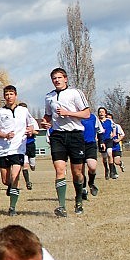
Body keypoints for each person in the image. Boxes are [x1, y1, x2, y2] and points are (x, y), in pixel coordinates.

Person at [40, 68, 90, 216]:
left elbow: (86, 113)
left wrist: (69, 113)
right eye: (54, 78)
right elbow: (48, 116)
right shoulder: (49, 97)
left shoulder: (75, 93)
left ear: (66, 79)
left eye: (59, 77)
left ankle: (79, 200)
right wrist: (44, 122)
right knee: (60, 169)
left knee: (77, 172)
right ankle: (61, 206)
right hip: (58, 136)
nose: (57, 80)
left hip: (75, 135)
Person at [0, 86, 37, 216]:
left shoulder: (23, 110)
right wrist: (4, 135)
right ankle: (10, 186)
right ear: (4, 97)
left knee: (15, 177)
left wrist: (31, 130)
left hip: (18, 149)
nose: (9, 96)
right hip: (3, 150)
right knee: (5, 180)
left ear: (16, 95)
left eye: (11, 94)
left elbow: (31, 124)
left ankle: (12, 208)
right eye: (7, 94)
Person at [80, 111, 103, 199]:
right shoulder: (74, 117)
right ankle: (83, 189)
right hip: (78, 145)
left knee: (92, 167)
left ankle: (91, 183)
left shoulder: (93, 117)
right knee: (80, 171)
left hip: (90, 144)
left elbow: (100, 130)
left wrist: (102, 142)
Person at [19, 103, 39, 190]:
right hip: (21, 145)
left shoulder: (32, 120)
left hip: (30, 144)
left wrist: (30, 131)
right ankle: (28, 182)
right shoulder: (17, 120)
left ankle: (33, 166)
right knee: (24, 164)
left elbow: (37, 132)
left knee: (32, 164)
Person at [97, 107, 116, 179]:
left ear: (105, 113)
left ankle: (112, 172)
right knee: (104, 157)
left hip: (108, 140)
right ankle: (106, 169)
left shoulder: (109, 121)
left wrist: (113, 133)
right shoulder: (97, 121)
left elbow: (114, 127)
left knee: (109, 153)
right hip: (101, 141)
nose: (101, 113)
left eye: (102, 112)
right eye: (100, 112)